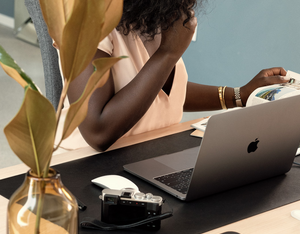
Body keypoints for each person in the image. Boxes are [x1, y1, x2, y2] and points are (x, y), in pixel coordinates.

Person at [64, 0, 289, 152]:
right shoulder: (88, 17)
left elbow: (161, 92)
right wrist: (168, 54)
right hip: (85, 166)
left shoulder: (155, 14)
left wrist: (239, 95)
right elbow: (97, 131)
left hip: (152, 153)